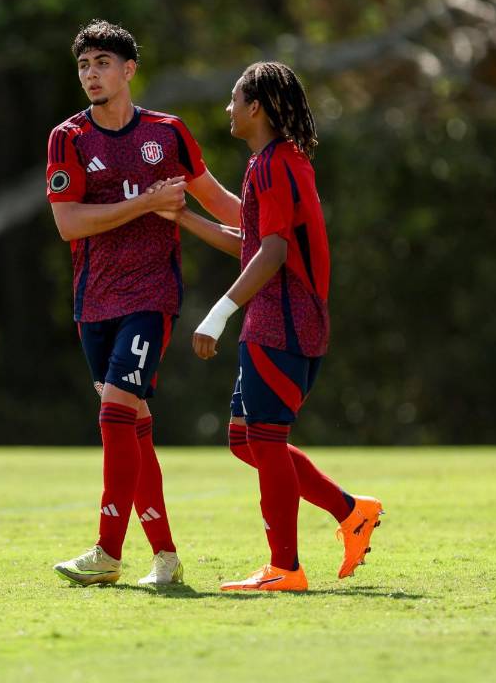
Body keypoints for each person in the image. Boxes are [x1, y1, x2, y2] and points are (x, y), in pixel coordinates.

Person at [171, 61, 383, 592]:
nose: (228, 108)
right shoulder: (275, 162)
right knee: (247, 441)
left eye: (234, 98)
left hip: (282, 322)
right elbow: (251, 240)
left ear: (256, 107)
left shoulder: (274, 164)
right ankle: (350, 511)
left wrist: (218, 314)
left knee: (264, 441)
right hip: (280, 320)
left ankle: (284, 567)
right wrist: (182, 219)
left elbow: (273, 251)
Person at [47, 21, 240, 586]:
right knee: (134, 427)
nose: (91, 75)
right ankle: (167, 557)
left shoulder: (168, 132)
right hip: (93, 301)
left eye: (102, 63)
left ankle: (107, 553)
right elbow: (68, 223)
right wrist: (146, 203)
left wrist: (277, 219)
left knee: (114, 414)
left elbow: (219, 202)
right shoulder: (68, 138)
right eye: (84, 66)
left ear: (129, 70)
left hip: (151, 295)